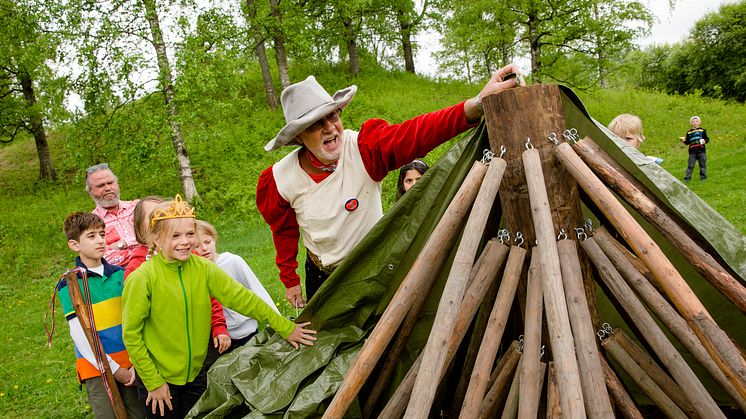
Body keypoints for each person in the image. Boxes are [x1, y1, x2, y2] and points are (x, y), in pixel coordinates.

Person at [257, 65, 523, 308]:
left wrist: (474, 105)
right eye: (316, 124)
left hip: (373, 269)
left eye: (333, 116)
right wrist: (289, 278)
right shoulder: (281, 179)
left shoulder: (364, 149)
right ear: (300, 137)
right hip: (322, 276)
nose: (330, 128)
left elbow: (417, 133)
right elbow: (284, 231)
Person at [122, 195, 316, 418]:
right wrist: (153, 382)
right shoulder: (142, 278)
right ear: (155, 239)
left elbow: (244, 298)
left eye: (189, 234)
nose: (185, 241)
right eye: (175, 236)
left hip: (196, 375)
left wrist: (286, 328)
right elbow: (131, 335)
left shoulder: (203, 268)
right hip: (157, 380)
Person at [125, 197, 232, 371]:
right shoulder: (137, 269)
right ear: (141, 227)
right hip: (165, 356)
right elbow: (134, 326)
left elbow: (213, 295)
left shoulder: (190, 257)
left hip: (201, 345)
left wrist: (218, 326)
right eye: (153, 215)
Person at [57, 212, 143, 418]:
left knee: (139, 414)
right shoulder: (70, 284)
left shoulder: (122, 275)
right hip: (97, 368)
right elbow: (79, 334)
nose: (100, 241)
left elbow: (136, 319)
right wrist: (111, 369)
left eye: (102, 234)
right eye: (91, 236)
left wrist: (133, 363)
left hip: (131, 363)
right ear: (74, 244)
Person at [194, 220, 280, 351]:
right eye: (197, 246)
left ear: (214, 239)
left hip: (247, 331)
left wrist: (278, 325)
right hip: (218, 338)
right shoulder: (194, 272)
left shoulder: (232, 262)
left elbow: (257, 290)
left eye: (207, 242)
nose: (204, 248)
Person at [86, 163, 139, 267]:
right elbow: (104, 259)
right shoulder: (90, 223)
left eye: (110, 183)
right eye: (100, 185)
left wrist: (120, 245)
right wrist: (142, 251)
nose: (107, 188)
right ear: (90, 192)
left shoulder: (138, 207)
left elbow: (160, 238)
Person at [680, 115, 709, 182]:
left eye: (696, 121)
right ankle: (687, 178)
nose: (695, 123)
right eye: (693, 122)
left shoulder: (702, 130)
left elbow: (707, 139)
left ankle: (703, 178)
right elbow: (687, 142)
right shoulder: (689, 132)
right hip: (692, 151)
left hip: (701, 150)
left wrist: (705, 141)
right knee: (690, 165)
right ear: (691, 123)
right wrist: (684, 140)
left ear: (699, 122)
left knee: (702, 164)